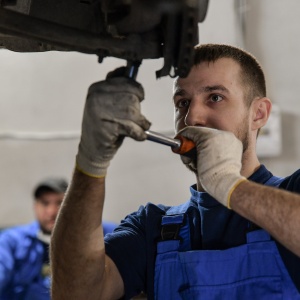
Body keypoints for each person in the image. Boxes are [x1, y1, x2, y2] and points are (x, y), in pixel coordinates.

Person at [50, 44, 300, 300]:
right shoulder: (152, 229)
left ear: (258, 114)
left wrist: (230, 185)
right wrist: (90, 164)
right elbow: (74, 294)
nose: (192, 118)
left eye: (215, 97)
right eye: (183, 103)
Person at [0, 177, 117, 300]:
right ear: (35, 207)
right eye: (45, 203)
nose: (51, 211)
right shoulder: (12, 241)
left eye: (60, 202)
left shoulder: (102, 234)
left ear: (73, 206)